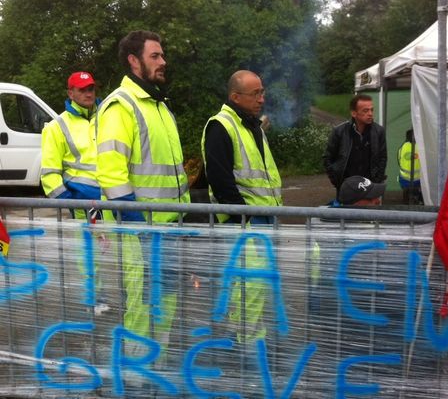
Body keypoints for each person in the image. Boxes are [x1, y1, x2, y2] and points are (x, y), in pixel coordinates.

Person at [95, 30, 189, 375]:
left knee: (165, 305)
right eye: (155, 56)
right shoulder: (122, 106)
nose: (163, 62)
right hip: (142, 234)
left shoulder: (159, 106)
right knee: (141, 308)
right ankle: (135, 378)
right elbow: (112, 172)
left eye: (163, 55)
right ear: (134, 61)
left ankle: (155, 373)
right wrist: (138, 226)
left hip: (169, 230)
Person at [201, 69, 282, 224]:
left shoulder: (253, 126)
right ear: (235, 97)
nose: (261, 100)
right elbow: (220, 182)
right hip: (244, 222)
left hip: (267, 215)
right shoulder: (220, 126)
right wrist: (243, 217)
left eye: (262, 92)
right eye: (255, 94)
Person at [41, 71, 101, 218]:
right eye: (82, 90)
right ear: (70, 94)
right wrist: (70, 202)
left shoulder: (107, 117)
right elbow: (49, 175)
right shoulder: (56, 127)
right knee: (87, 241)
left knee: (115, 241)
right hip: (82, 205)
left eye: (90, 89)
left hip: (112, 199)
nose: (88, 94)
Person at [323, 94, 387, 200]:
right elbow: (328, 158)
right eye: (365, 111)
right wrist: (337, 181)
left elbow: (382, 158)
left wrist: (377, 181)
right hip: (347, 188)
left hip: (370, 188)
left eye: (372, 110)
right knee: (347, 215)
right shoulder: (339, 132)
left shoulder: (379, 131)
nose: (370, 114)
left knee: (369, 215)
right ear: (354, 113)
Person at [397, 128, 423, 205]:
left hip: (404, 179)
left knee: (406, 195)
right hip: (419, 179)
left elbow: (398, 160)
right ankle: (419, 201)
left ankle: (405, 204)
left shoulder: (402, 147)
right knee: (419, 195)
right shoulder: (421, 147)